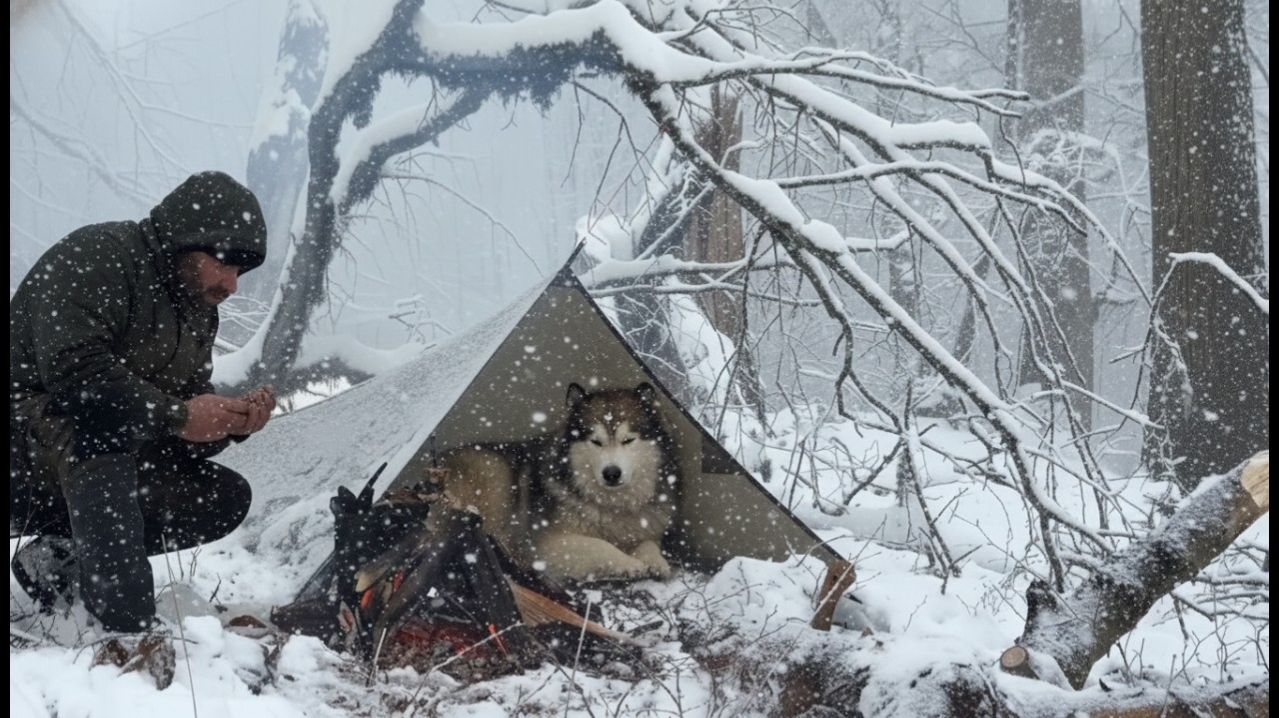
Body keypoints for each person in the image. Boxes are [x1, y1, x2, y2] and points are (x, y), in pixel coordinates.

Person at [9, 170, 277, 633]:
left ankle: (56, 561)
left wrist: (225, 424)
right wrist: (179, 415)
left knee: (221, 496)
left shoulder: (196, 312)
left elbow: (172, 423)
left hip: (77, 471)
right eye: (225, 264)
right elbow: (77, 378)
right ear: (185, 240)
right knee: (98, 435)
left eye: (240, 272)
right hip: (23, 443)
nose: (232, 286)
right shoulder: (99, 257)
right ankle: (124, 631)